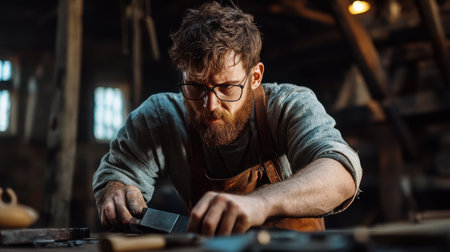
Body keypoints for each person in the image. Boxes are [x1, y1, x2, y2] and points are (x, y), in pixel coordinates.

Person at [93, 1, 362, 236]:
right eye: (196, 87)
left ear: (255, 77)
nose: (210, 105)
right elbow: (118, 174)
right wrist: (116, 191)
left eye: (227, 88)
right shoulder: (161, 117)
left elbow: (340, 173)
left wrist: (260, 203)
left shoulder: (289, 105)